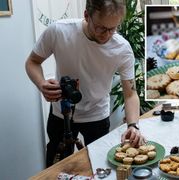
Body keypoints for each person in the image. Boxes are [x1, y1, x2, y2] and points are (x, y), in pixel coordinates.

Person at [25, 0, 145, 167]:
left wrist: (133, 125)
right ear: (86, 15)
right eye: (101, 27)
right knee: (55, 169)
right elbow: (32, 62)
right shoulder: (59, 31)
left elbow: (130, 94)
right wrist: (41, 84)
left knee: (98, 168)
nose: (107, 35)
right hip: (62, 114)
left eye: (113, 28)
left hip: (98, 117)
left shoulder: (122, 48)